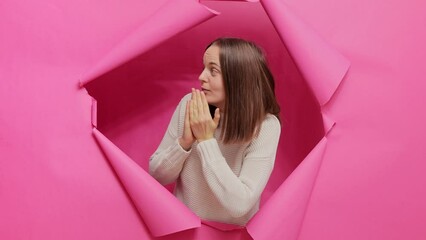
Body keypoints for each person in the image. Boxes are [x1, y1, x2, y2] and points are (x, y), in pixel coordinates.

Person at [149, 37, 281, 226]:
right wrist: (184, 143)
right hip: (184, 228)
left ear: (238, 78)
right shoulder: (191, 104)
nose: (202, 77)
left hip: (234, 235)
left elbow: (239, 204)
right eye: (203, 68)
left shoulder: (266, 126)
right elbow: (156, 176)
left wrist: (205, 140)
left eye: (213, 70)